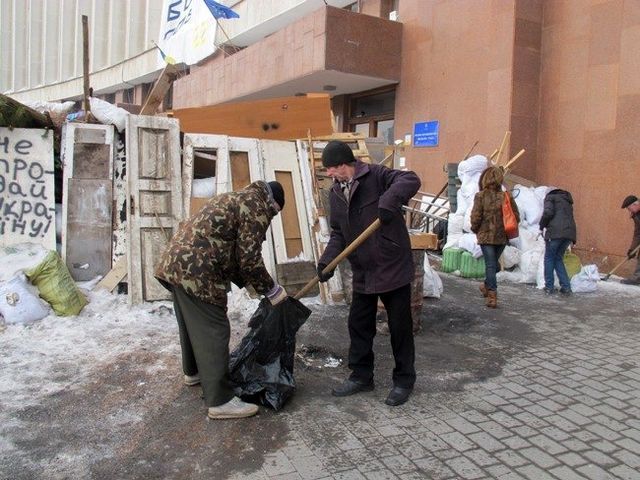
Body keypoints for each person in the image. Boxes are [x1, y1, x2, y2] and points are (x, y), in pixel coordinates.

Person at [155, 181, 288, 420]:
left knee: (191, 323)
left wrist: (251, 284)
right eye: (275, 213)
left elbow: (232, 250)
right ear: (274, 204)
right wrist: (271, 290)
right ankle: (221, 400)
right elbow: (249, 258)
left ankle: (194, 372)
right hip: (198, 269)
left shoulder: (239, 198)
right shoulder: (257, 207)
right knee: (213, 329)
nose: (272, 218)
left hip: (176, 263)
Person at [316, 140, 421, 407]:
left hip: (391, 265)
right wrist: (327, 261)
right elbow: (339, 233)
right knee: (359, 325)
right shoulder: (336, 193)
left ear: (344, 164)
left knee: (400, 327)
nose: (329, 174)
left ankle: (404, 380)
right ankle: (362, 376)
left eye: (331, 168)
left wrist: (389, 199)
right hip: (363, 270)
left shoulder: (376, 176)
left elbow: (411, 179)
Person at [470, 166, 520, 308]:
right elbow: (516, 216)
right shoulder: (506, 196)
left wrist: (475, 229)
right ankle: (490, 291)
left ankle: (489, 291)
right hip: (502, 237)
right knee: (492, 265)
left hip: (486, 236)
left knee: (492, 265)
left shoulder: (480, 196)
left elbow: (476, 216)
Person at [539, 188, 577, 295]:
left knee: (549, 258)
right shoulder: (567, 201)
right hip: (569, 234)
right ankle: (566, 287)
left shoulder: (550, 198)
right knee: (558, 259)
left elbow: (547, 213)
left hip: (555, 233)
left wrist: (541, 226)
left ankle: (549, 287)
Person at [620, 195, 640, 285]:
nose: (629, 211)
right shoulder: (636, 216)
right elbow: (638, 234)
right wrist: (632, 249)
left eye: (629, 208)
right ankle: (637, 278)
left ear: (635, 204)